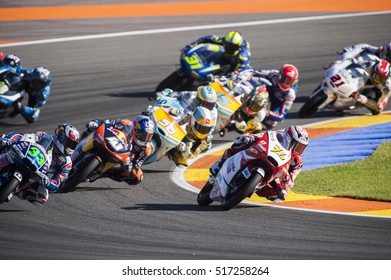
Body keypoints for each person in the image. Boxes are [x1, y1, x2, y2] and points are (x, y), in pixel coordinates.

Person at [209, 125, 309, 203]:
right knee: (241, 142)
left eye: (301, 147)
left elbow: (291, 182)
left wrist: (287, 180)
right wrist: (250, 138)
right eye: (296, 145)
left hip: (275, 175)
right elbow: (261, 136)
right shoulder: (275, 135)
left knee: (281, 196)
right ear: (287, 137)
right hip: (262, 155)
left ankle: (248, 189)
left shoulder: (297, 162)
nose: (297, 150)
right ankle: (220, 163)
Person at [0, 124, 80, 205]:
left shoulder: (67, 163)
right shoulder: (44, 137)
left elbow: (57, 184)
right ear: (61, 137)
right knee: (3, 140)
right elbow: (23, 137)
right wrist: (10, 140)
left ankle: (17, 190)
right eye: (69, 143)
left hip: (36, 175)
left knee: (42, 196)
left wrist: (48, 182)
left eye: (73, 145)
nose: (71, 147)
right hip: (21, 156)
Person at [83, 115, 155, 185]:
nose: (146, 139)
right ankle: (77, 147)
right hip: (109, 141)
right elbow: (108, 123)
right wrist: (97, 122)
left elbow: (136, 165)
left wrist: (129, 166)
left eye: (149, 136)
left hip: (121, 159)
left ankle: (105, 173)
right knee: (89, 129)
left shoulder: (145, 149)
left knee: (137, 177)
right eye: (144, 135)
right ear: (136, 130)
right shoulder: (126, 123)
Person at [234, 64, 299, 130]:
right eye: (286, 80)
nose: (288, 84)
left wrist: (266, 112)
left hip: (278, 101)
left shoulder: (291, 94)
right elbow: (254, 71)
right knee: (255, 86)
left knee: (270, 124)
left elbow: (281, 116)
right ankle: (243, 101)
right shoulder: (273, 74)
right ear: (280, 76)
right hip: (268, 90)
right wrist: (241, 72)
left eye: (292, 82)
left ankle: (251, 120)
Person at [184, 30, 251, 72]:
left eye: (232, 47)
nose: (228, 48)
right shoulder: (224, 40)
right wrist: (192, 44)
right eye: (227, 45)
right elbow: (207, 38)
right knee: (213, 52)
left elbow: (241, 71)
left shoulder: (243, 57)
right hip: (226, 55)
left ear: (238, 47)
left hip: (235, 62)